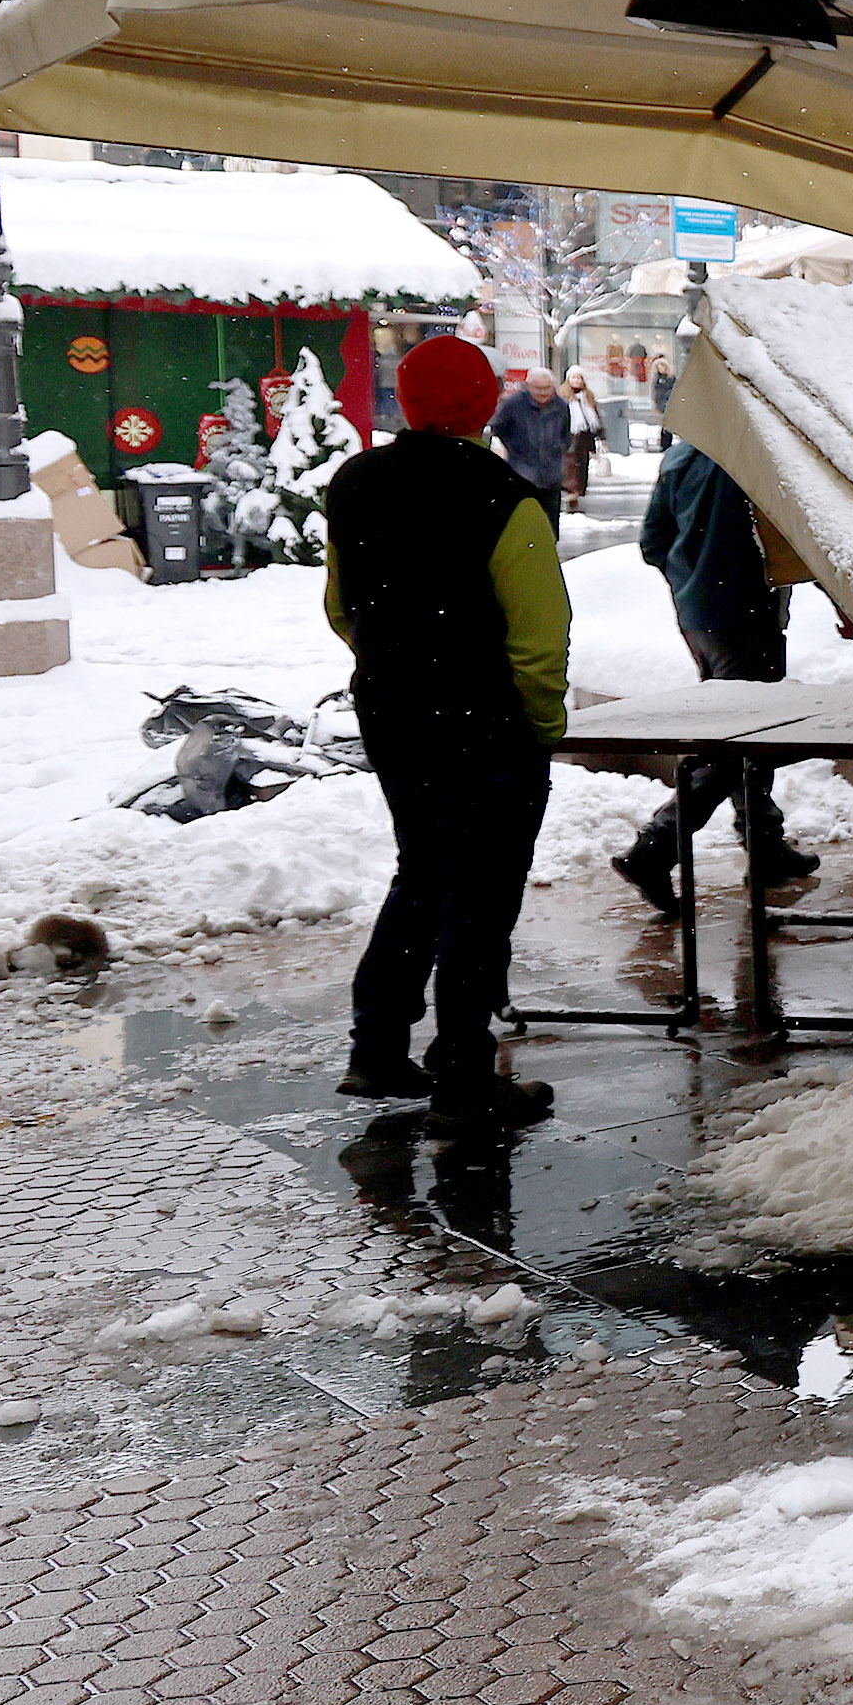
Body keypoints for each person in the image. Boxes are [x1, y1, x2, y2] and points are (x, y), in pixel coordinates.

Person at [321, 336, 568, 1132]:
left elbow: (340, 605)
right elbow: (540, 635)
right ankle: (464, 1072)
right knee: (481, 889)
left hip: (391, 712)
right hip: (484, 720)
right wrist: (541, 722)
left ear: (409, 401)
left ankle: (376, 1047)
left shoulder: (356, 484)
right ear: (484, 402)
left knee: (422, 870)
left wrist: (395, 660)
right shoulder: (505, 495)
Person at [611, 441, 820, 913]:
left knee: (745, 733)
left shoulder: (681, 457)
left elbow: (652, 542)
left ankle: (765, 846)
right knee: (739, 746)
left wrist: (692, 583)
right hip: (748, 615)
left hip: (700, 618)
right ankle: (655, 849)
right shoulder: (757, 457)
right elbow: (793, 540)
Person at [488, 366, 568, 513]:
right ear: (528, 386)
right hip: (522, 475)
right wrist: (513, 448)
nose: (543, 393)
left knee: (551, 525)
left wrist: (557, 451)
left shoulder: (561, 406)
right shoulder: (513, 404)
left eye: (547, 388)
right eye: (538, 388)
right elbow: (498, 428)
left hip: (552, 476)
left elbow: (565, 433)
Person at [559, 366, 601, 513]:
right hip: (569, 438)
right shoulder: (563, 396)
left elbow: (596, 417)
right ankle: (571, 493)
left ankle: (576, 493)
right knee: (570, 467)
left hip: (584, 439)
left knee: (582, 467)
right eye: (574, 378)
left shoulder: (588, 396)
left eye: (579, 378)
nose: (576, 381)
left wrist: (601, 436)